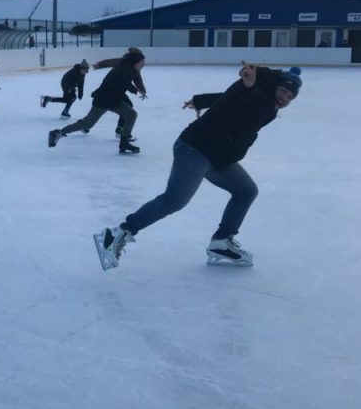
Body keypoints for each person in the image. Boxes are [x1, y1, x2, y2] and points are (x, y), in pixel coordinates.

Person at [93, 65, 303, 271]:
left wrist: (201, 100)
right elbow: (245, 95)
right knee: (174, 200)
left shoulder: (267, 106)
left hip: (219, 159)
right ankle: (117, 235)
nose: (285, 98)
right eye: (283, 91)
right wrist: (247, 84)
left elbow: (227, 98)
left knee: (246, 191)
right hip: (195, 150)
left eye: (290, 97)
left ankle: (221, 242)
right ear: (275, 86)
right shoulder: (255, 96)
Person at [49, 50, 145, 154]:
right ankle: (58, 133)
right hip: (103, 100)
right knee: (88, 124)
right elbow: (116, 83)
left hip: (114, 99)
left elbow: (126, 84)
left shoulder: (129, 69)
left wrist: (137, 90)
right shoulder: (123, 70)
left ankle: (124, 143)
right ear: (135, 62)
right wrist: (135, 90)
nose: (144, 64)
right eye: (142, 62)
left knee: (131, 115)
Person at [94, 49, 148, 139]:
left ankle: (120, 129)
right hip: (110, 88)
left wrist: (142, 90)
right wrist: (99, 65)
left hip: (119, 90)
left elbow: (137, 78)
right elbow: (110, 62)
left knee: (127, 106)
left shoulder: (134, 65)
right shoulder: (124, 61)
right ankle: (85, 123)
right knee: (99, 108)